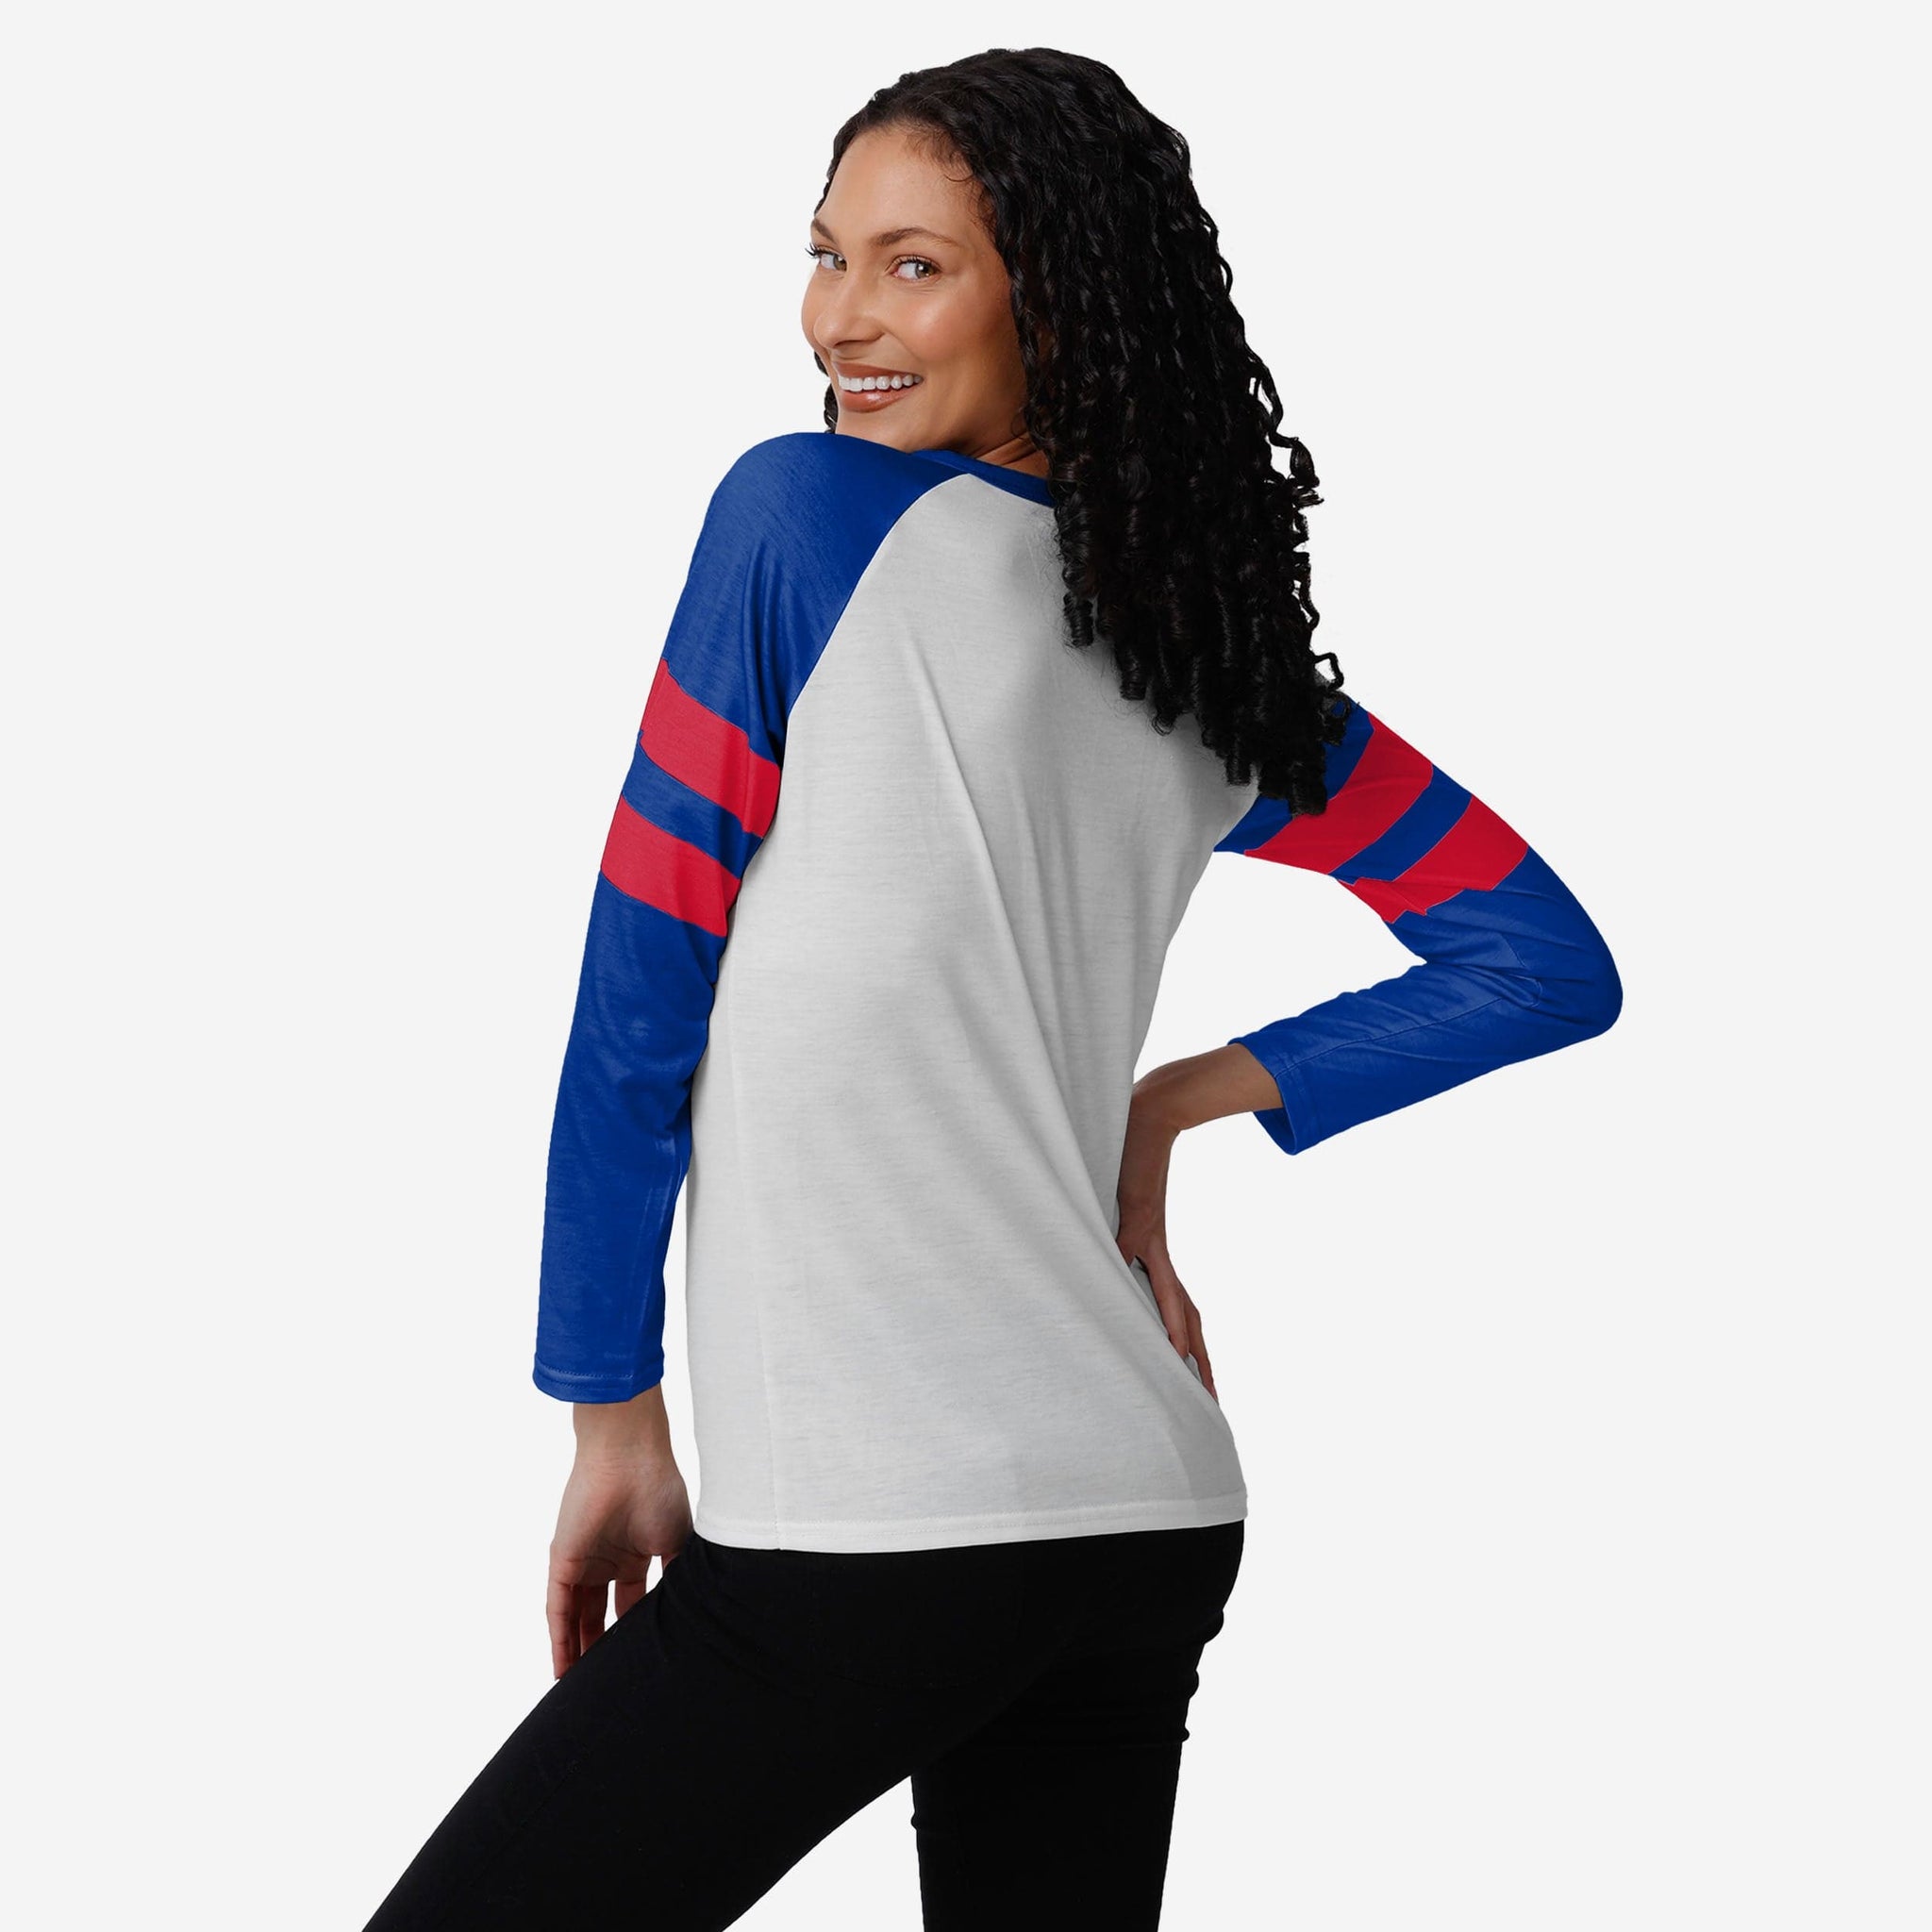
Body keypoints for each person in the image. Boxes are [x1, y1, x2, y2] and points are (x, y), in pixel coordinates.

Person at [361, 45, 1622, 1932]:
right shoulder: (1211, 659)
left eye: (914, 267)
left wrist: (608, 1407)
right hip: (1145, 1518)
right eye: (825, 255)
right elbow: (1535, 954)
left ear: (1064, 296)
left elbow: (638, 1003)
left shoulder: (800, 519)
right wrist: (1179, 1101)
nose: (838, 320)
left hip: (874, 1526)